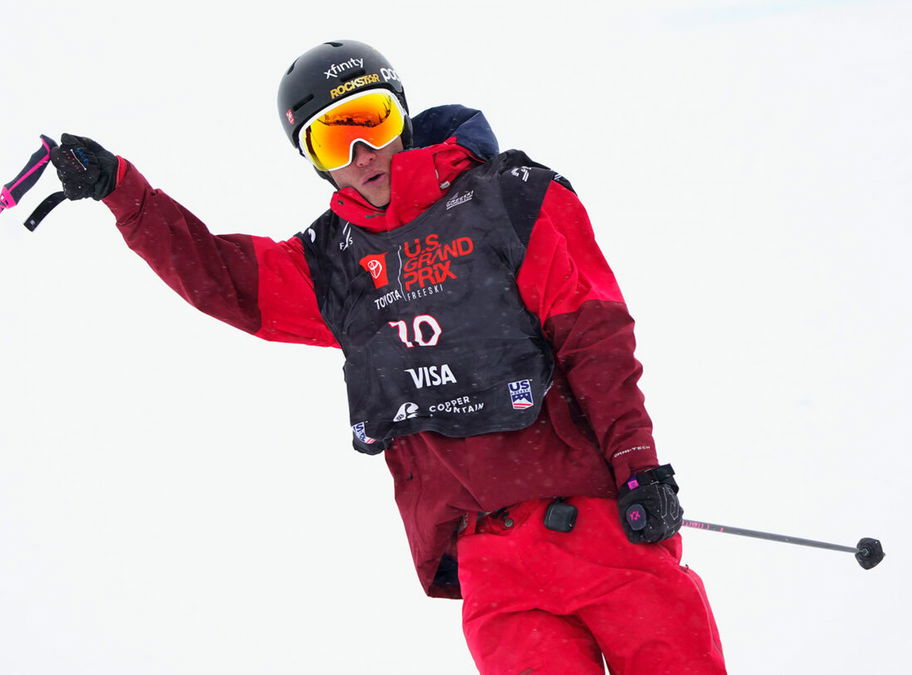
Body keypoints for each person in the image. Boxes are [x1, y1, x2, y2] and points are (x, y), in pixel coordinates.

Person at [50, 39, 726, 674]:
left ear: (401, 112)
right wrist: (120, 189)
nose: (364, 150)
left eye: (371, 118)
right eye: (333, 138)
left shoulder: (511, 198)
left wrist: (639, 467)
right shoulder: (335, 266)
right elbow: (221, 279)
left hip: (603, 529)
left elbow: (595, 336)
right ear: (315, 160)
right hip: (494, 566)